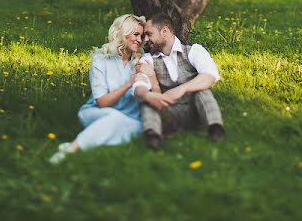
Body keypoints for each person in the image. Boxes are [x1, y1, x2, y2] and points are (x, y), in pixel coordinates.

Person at [49, 13, 158, 164]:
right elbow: (101, 102)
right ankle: (72, 149)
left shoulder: (143, 61)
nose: (140, 40)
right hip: (97, 112)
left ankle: (86, 142)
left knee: (137, 128)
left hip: (131, 118)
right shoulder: (101, 59)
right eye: (135, 34)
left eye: (142, 35)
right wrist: (128, 83)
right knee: (113, 119)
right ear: (123, 33)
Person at [134, 12, 225, 150]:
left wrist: (182, 88)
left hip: (195, 111)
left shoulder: (194, 51)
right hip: (167, 114)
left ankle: (216, 131)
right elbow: (139, 87)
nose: (145, 39)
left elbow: (210, 75)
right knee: (148, 101)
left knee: (202, 90)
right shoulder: (147, 59)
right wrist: (148, 94)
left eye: (149, 34)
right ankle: (154, 138)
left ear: (164, 31)